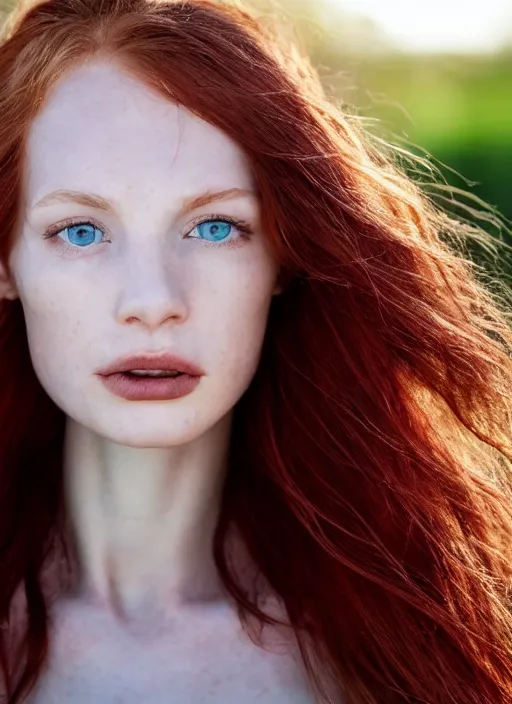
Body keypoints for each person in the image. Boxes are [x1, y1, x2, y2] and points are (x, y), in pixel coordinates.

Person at [0, 0, 511, 702]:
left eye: (214, 228)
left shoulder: (409, 650)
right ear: (6, 262)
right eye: (81, 232)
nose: (153, 300)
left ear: (282, 257)